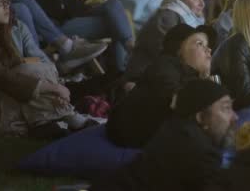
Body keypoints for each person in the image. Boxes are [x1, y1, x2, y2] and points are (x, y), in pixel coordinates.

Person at [0, 0, 96, 139]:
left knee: (34, 68)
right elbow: (1, 77)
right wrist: (53, 88)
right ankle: (70, 117)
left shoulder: (2, 35)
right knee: (28, 71)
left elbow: (30, 64)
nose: (7, 6)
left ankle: (45, 124)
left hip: (8, 103)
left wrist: (51, 89)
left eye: (7, 2)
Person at [92, 80, 237, 191]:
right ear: (200, 117)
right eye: (225, 108)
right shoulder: (201, 153)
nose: (234, 117)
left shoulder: (177, 131)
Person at [107, 24, 215, 147]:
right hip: (128, 133)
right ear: (179, 50)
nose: (209, 49)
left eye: (207, 45)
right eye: (200, 43)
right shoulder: (164, 65)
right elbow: (176, 98)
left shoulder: (192, 76)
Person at [123, 0, 205, 86]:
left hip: (163, 77)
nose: (202, 4)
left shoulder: (181, 17)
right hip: (144, 80)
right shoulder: (167, 18)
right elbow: (173, 57)